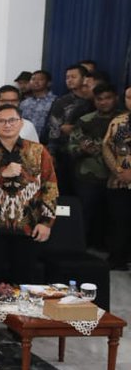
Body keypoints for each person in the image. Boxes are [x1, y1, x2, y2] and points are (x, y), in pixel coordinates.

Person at [0, 104, 57, 286]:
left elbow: (50, 187)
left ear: (21, 124)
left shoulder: (38, 151)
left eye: (12, 120)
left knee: (24, 281)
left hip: (28, 227)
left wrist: (46, 223)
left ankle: (20, 316)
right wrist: (1, 175)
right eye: (1, 121)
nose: (7, 125)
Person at [68, 84, 118, 253]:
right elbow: (71, 148)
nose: (104, 102)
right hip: (88, 176)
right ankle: (82, 249)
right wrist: (82, 149)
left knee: (115, 217)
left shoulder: (123, 120)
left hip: (118, 178)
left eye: (108, 98)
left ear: (116, 98)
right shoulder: (85, 120)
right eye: (99, 99)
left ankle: (112, 251)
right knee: (86, 215)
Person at [103, 88, 131, 270]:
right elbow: (106, 147)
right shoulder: (118, 122)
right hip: (119, 181)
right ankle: (117, 259)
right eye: (129, 97)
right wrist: (119, 171)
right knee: (119, 222)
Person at [19, 70, 56, 139]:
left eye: (40, 79)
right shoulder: (24, 103)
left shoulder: (55, 101)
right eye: (33, 79)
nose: (36, 82)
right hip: (25, 140)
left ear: (48, 83)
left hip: (46, 141)